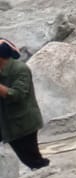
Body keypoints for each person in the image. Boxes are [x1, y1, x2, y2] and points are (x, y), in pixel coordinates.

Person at [0, 37, 47, 170]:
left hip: (23, 124)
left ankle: (48, 176)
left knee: (31, 159)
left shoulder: (20, 69)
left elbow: (17, 95)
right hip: (6, 121)